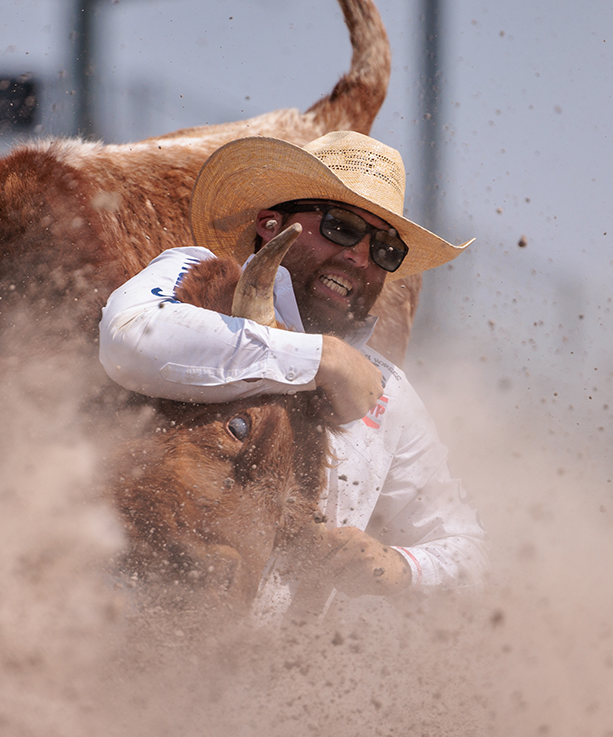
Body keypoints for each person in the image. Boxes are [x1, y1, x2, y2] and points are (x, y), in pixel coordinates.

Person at [99, 131, 486, 622]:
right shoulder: (196, 275)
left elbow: (470, 553)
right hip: (114, 625)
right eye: (342, 226)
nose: (361, 257)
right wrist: (324, 360)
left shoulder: (389, 395)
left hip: (257, 680)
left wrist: (397, 566)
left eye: (386, 249)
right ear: (270, 224)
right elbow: (129, 339)